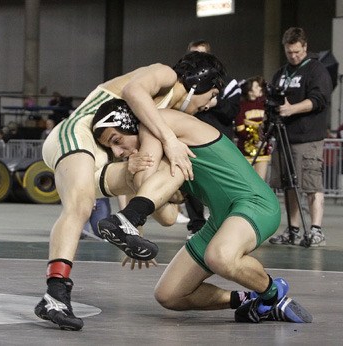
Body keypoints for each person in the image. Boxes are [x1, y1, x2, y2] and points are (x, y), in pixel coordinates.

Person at [34, 51, 226, 330]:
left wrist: (136, 229)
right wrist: (170, 140)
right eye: (210, 96)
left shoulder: (160, 117)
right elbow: (133, 90)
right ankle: (55, 293)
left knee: (166, 211)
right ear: (201, 83)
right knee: (81, 205)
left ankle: (127, 224)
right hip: (80, 133)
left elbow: (140, 179)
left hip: (106, 155)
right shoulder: (166, 76)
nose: (208, 105)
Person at [93, 99, 312, 326]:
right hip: (222, 219)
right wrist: (133, 235)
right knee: (169, 294)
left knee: (220, 257)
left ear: (130, 124)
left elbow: (143, 180)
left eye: (117, 141)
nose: (118, 152)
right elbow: (167, 217)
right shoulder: (163, 155)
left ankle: (273, 293)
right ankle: (252, 297)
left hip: (255, 203)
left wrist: (131, 179)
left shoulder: (157, 124)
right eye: (111, 149)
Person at [267, 27, 333, 247]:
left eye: (297, 52)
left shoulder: (316, 70)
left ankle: (316, 230)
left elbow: (319, 99)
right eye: (289, 52)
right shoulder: (281, 73)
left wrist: (291, 109)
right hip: (284, 137)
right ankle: (293, 229)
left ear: (305, 46)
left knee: (311, 184)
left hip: (308, 137)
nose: (293, 56)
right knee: (289, 185)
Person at [184, 39, 241, 239]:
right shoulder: (182, 83)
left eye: (201, 54)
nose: (196, 59)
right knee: (191, 181)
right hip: (189, 142)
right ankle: (196, 226)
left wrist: (212, 102)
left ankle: (225, 225)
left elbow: (231, 112)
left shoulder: (230, 83)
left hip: (218, 143)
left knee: (221, 186)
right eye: (192, 55)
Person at [235, 76, 271, 180]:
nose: (260, 89)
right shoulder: (242, 106)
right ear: (249, 91)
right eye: (256, 87)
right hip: (246, 150)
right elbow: (239, 128)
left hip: (263, 149)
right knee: (247, 181)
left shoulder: (265, 104)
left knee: (261, 181)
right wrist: (252, 139)